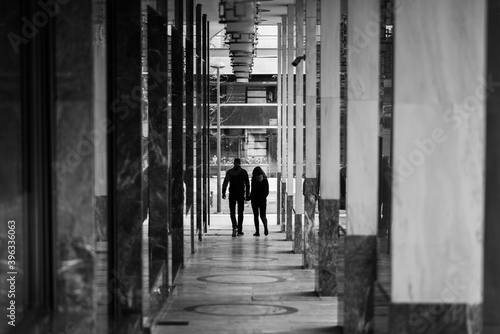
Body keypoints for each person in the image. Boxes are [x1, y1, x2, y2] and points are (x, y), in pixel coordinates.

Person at [222, 158, 250, 237]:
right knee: (240, 212)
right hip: (240, 194)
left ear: (234, 163)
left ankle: (234, 226)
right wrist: (247, 194)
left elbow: (225, 183)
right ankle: (240, 230)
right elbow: (247, 184)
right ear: (240, 163)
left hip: (232, 194)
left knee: (232, 212)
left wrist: (223, 192)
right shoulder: (244, 172)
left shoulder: (229, 172)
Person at [249, 166, 269, 236]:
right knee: (263, 215)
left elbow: (253, 191)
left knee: (256, 216)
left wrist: (250, 197)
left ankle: (257, 231)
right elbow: (267, 191)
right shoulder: (265, 179)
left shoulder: (254, 179)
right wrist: (263, 197)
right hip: (262, 200)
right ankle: (265, 227)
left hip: (254, 200)